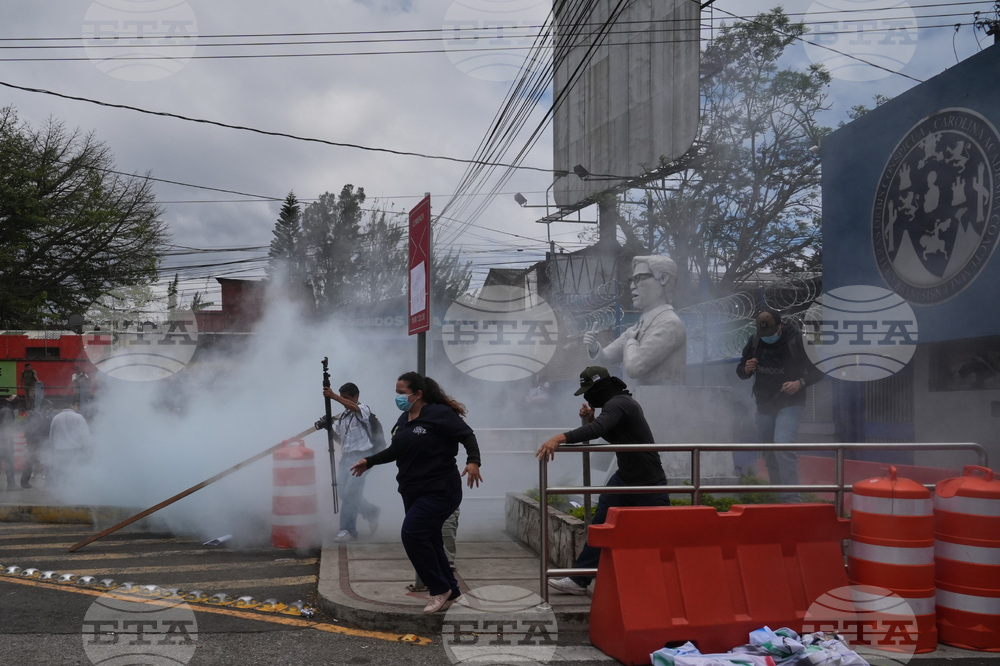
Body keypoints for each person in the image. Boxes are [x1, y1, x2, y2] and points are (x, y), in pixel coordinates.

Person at [349, 371, 483, 614]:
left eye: (402, 393)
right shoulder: (404, 418)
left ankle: (439, 588)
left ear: (418, 393)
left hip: (440, 489)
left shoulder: (439, 413)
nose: (398, 397)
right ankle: (452, 591)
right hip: (411, 489)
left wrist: (473, 461)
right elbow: (395, 450)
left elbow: (467, 435)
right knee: (430, 538)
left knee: (412, 533)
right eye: (396, 393)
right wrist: (369, 461)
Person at [536, 365, 670, 595]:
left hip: (648, 482)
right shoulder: (617, 403)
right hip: (625, 477)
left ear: (601, 387)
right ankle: (579, 580)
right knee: (601, 528)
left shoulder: (619, 403)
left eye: (590, 391)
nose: (589, 397)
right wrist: (591, 418)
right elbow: (613, 434)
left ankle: (670, 582)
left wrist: (559, 438)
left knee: (661, 535)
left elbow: (598, 429)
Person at [736, 308, 824, 502]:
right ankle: (777, 494)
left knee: (782, 446)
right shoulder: (755, 341)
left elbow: (819, 371)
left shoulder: (798, 341)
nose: (767, 337)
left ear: (780, 325)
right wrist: (746, 369)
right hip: (764, 405)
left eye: (770, 332)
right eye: (763, 333)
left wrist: (799, 383)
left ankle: (792, 497)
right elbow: (741, 371)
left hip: (790, 403)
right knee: (769, 453)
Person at [584, 255, 686, 386]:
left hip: (661, 398)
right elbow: (606, 357)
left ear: (663, 278)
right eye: (632, 280)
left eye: (639, 278)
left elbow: (635, 367)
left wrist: (631, 341)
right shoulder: (641, 325)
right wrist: (594, 348)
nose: (632, 286)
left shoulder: (670, 324)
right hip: (639, 397)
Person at [321, 381, 381, 543]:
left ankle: (348, 530)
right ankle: (371, 512)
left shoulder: (363, 409)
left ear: (356, 396)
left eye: (346, 398)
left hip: (362, 457)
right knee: (343, 492)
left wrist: (333, 396)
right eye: (342, 398)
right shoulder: (343, 417)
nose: (343, 402)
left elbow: (355, 408)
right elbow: (341, 441)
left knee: (350, 494)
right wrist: (329, 428)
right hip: (346, 457)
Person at [47, 400, 93, 484]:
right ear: (72, 405)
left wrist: (52, 449)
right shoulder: (78, 417)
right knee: (74, 472)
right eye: (77, 405)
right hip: (75, 450)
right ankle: (73, 489)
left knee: (62, 473)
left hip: (60, 450)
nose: (77, 408)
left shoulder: (56, 418)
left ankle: (62, 489)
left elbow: (51, 435)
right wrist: (89, 449)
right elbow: (85, 435)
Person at [0, 396, 17, 490]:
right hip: (5, 441)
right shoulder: (8, 411)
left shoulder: (2, 409)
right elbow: (8, 427)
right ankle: (11, 485)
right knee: (9, 462)